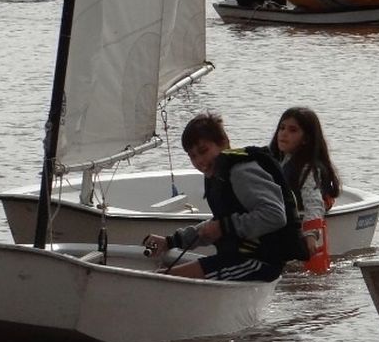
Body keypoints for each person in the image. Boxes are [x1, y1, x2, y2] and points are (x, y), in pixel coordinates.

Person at [143, 113, 305, 281]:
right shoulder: (219, 174)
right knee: (162, 275)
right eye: (192, 156)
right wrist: (171, 242)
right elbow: (216, 225)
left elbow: (275, 215)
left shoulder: (241, 172)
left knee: (163, 279)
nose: (199, 161)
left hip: (258, 262)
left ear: (224, 143)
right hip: (236, 259)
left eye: (203, 151)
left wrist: (224, 227)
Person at [270, 107, 342, 263]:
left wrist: (310, 234)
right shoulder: (279, 162)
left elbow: (314, 202)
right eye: (281, 128)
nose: (284, 133)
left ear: (306, 139)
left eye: (292, 130)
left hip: (297, 224)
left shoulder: (308, 169)